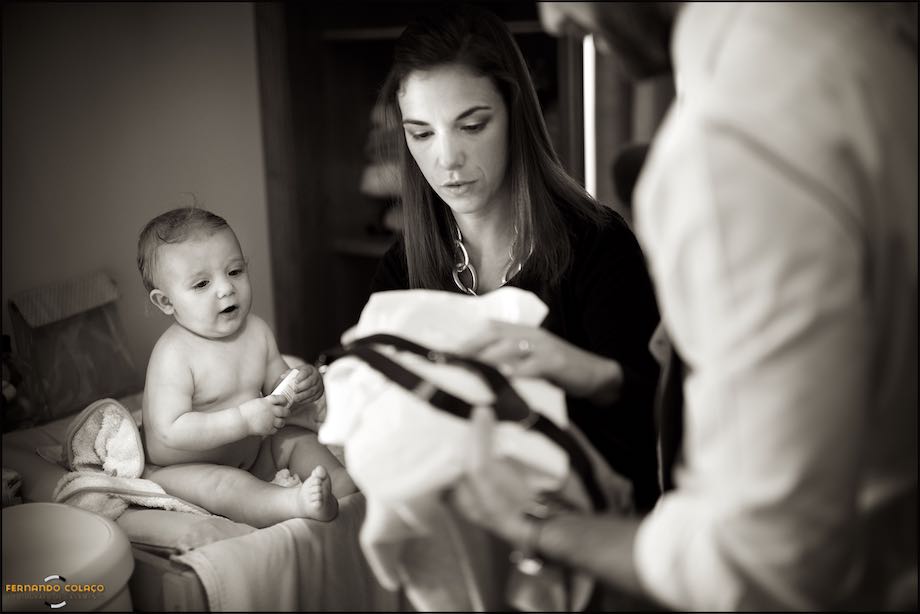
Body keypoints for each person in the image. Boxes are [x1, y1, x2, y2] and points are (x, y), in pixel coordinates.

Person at [449, 2, 918, 611]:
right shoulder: (857, 34)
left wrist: (540, 525)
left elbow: (764, 561)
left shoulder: (732, 145)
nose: (555, 19)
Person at [369, 2, 662, 512]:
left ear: (514, 113)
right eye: (421, 133)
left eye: (472, 125)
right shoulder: (403, 269)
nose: (447, 159)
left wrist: (578, 369)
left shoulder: (597, 246)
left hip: (597, 533)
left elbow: (656, 411)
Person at [136, 207, 355, 528]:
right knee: (226, 486)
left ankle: (341, 482)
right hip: (190, 467)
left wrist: (302, 384)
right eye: (201, 284)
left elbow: (277, 387)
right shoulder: (174, 355)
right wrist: (242, 420)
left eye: (235, 272)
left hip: (253, 451)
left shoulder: (257, 332)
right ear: (167, 302)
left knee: (298, 440)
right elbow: (170, 431)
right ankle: (289, 502)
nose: (225, 288)